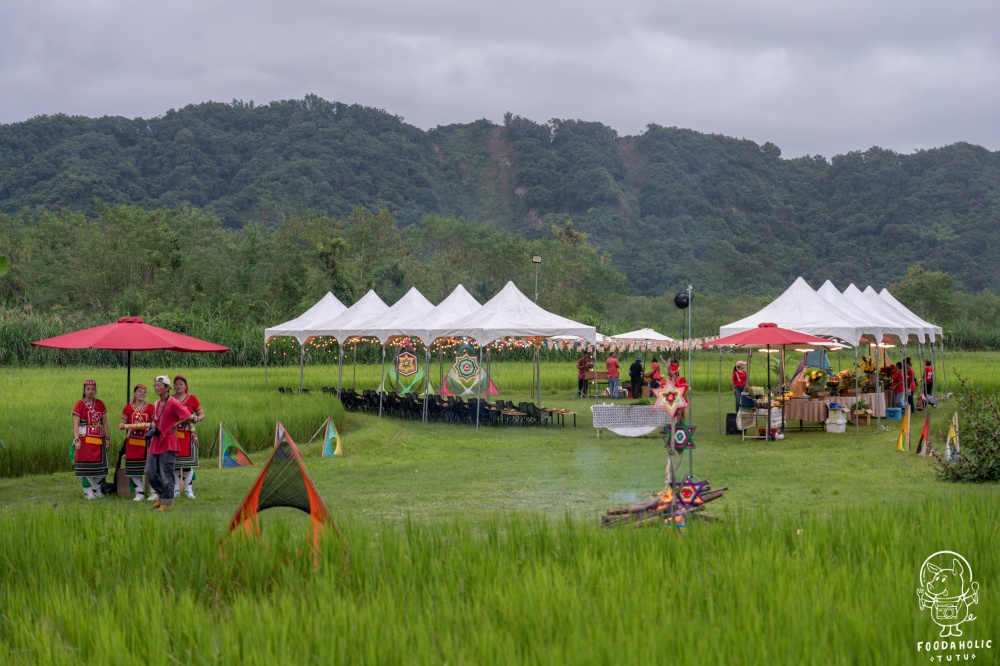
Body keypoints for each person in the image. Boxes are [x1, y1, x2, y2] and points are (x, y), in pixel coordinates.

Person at [146, 375, 194, 512]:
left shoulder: (173, 402)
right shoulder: (156, 403)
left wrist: (175, 425)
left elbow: (188, 416)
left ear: (167, 388)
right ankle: (163, 495)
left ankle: (167, 502)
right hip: (156, 441)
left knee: (166, 473)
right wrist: (152, 426)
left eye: (159, 385)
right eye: (155, 385)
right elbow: (156, 419)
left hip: (168, 442)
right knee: (149, 471)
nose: (156, 387)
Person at [71, 379, 110, 500]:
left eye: (93, 389)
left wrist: (108, 438)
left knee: (100, 467)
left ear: (95, 390)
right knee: (86, 467)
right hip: (85, 440)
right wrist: (77, 439)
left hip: (98, 439)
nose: (90, 391)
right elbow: (76, 424)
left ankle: (97, 489)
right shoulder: (79, 404)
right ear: (84, 390)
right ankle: (87, 491)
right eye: (88, 389)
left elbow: (104, 422)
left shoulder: (100, 404)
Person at [120, 384, 155, 501]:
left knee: (149, 467)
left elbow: (155, 422)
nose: (142, 394)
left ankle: (154, 492)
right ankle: (139, 492)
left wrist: (149, 425)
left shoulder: (150, 407)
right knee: (134, 467)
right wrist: (122, 425)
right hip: (133, 442)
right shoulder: (128, 408)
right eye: (139, 391)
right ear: (135, 393)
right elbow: (123, 422)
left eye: (144, 392)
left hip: (146, 441)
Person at [172, 375, 204, 499]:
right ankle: (175, 491)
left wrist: (197, 418)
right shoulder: (170, 399)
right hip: (173, 434)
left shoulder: (192, 399)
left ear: (185, 386)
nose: (178, 386)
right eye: (176, 384)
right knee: (174, 464)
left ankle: (188, 490)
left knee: (187, 463)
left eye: (181, 384)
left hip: (188, 434)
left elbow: (201, 414)